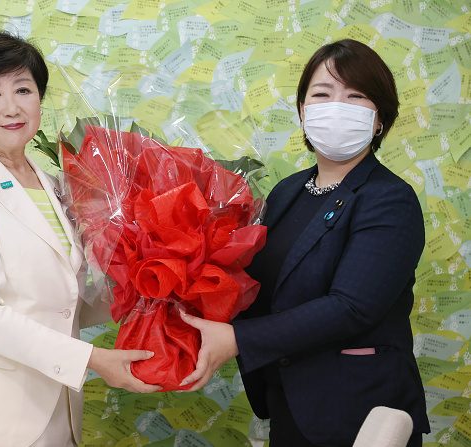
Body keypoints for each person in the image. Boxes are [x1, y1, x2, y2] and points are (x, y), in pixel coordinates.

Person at [179, 39, 430, 447]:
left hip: (358, 410)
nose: (337, 105)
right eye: (322, 93)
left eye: (356, 96)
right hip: (288, 400)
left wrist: (237, 340)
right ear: (302, 111)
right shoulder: (287, 191)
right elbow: (257, 286)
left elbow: (352, 307)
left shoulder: (389, 199)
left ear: (380, 118)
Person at [0, 32, 160, 447]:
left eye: (23, 89)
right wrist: (92, 359)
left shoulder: (56, 182)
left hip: (57, 413)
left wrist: (150, 284)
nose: (12, 107)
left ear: (40, 97)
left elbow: (66, 302)